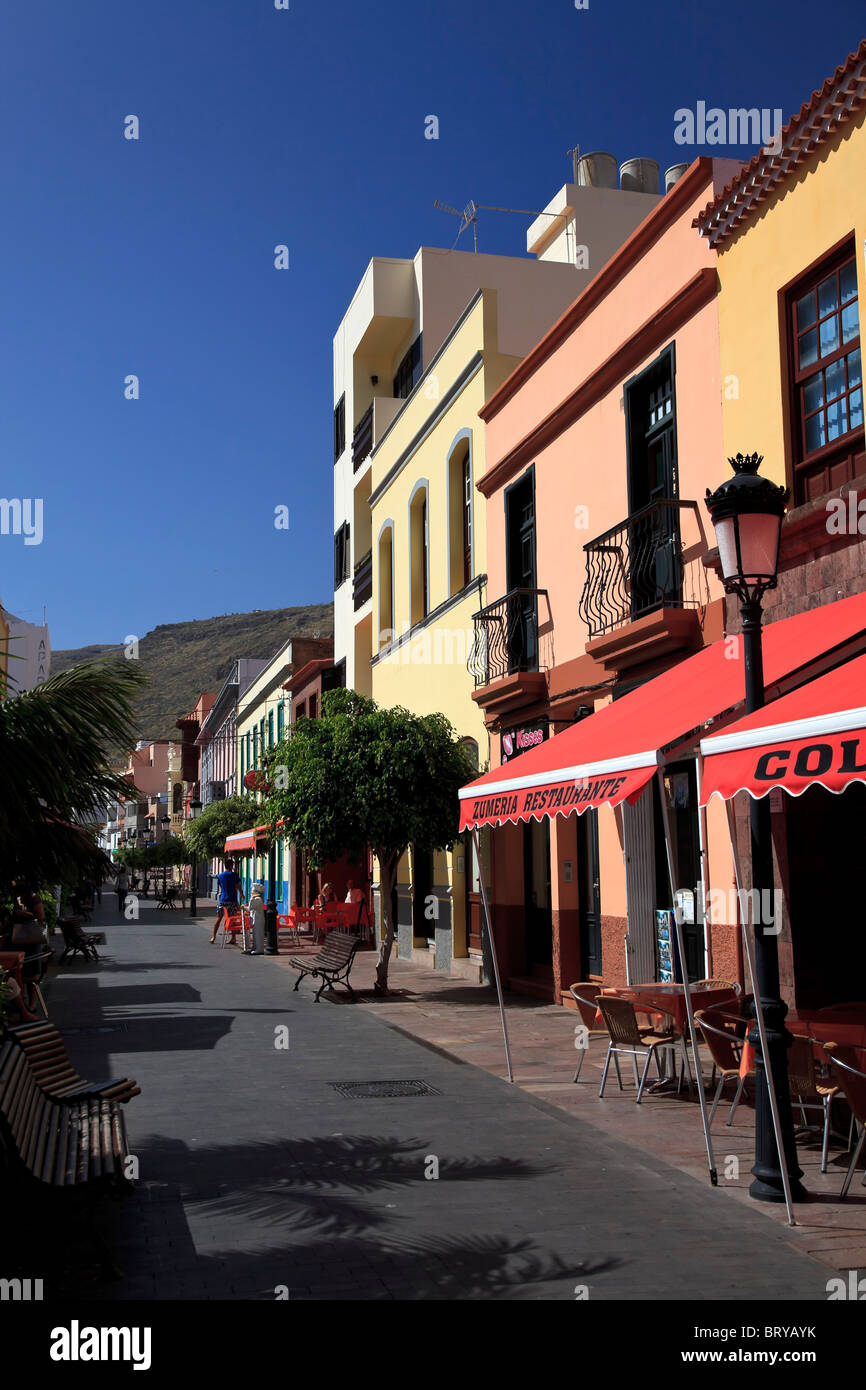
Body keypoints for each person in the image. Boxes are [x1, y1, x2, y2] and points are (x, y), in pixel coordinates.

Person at [211, 858, 244, 944]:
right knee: (232, 919)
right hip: (232, 900)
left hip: (222, 900)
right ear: (230, 866)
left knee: (218, 918)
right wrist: (242, 895)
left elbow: (220, 886)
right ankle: (233, 938)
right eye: (232, 865)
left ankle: (213, 936)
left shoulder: (220, 876)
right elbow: (238, 886)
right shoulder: (234, 875)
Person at [244, 882, 265, 955]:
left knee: (258, 934)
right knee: (255, 934)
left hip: (258, 919)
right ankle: (255, 947)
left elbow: (250, 908)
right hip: (255, 919)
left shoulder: (257, 899)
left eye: (252, 891)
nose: (251, 892)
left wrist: (251, 899)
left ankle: (259, 949)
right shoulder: (256, 899)